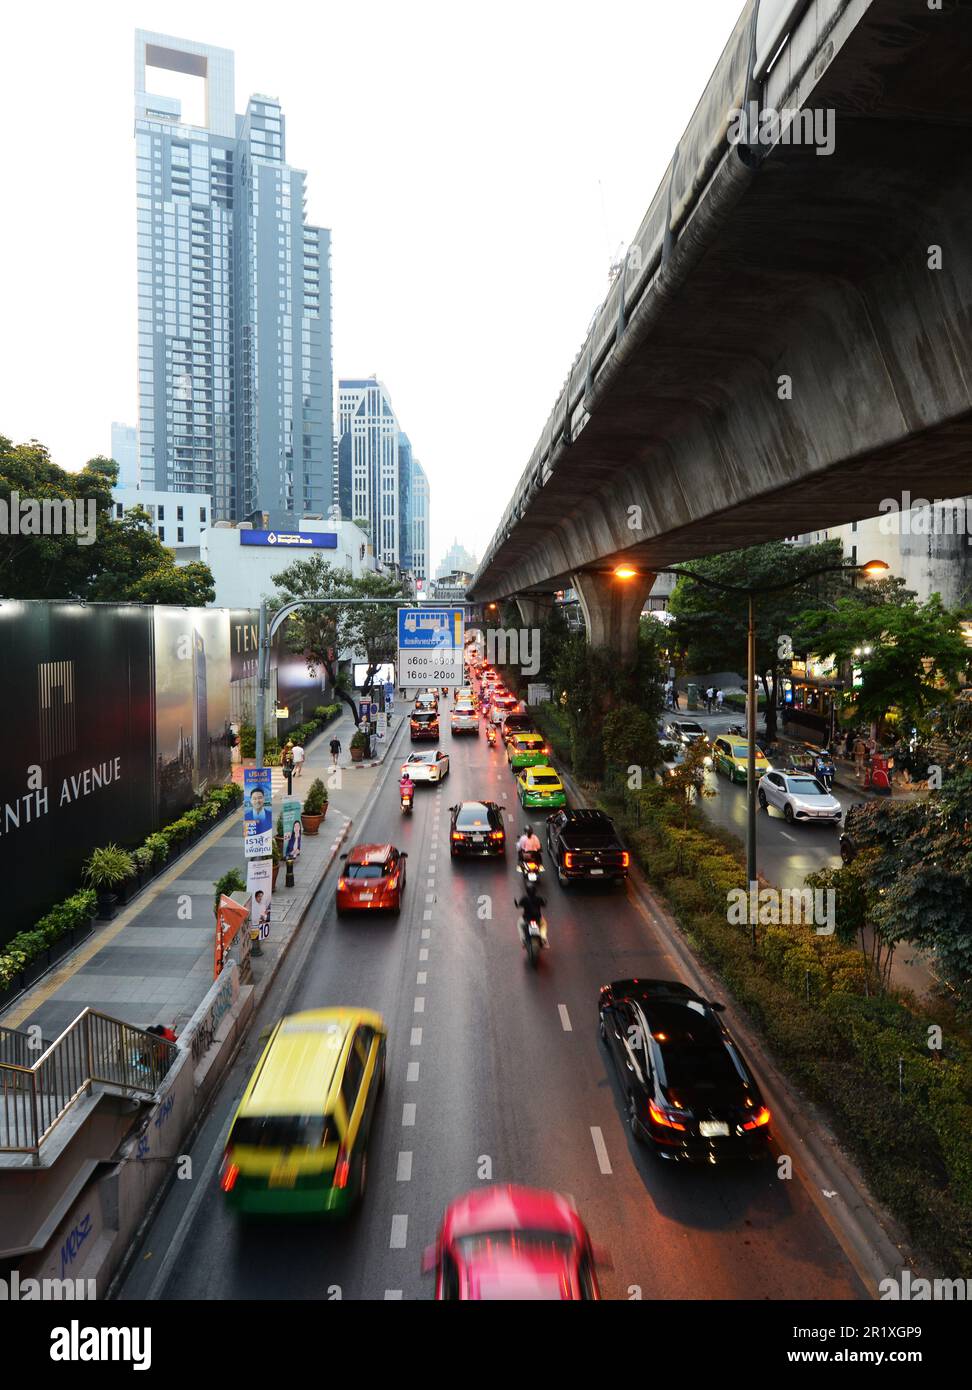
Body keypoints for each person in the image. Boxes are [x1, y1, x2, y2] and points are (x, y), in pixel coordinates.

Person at [514, 881, 547, 948]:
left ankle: (523, 939)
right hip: (538, 918)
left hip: (526, 919)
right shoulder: (539, 898)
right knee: (544, 924)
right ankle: (543, 937)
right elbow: (544, 905)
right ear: (535, 891)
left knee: (519, 924)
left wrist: (516, 903)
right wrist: (545, 901)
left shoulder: (524, 899)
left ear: (527, 891)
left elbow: (518, 906)